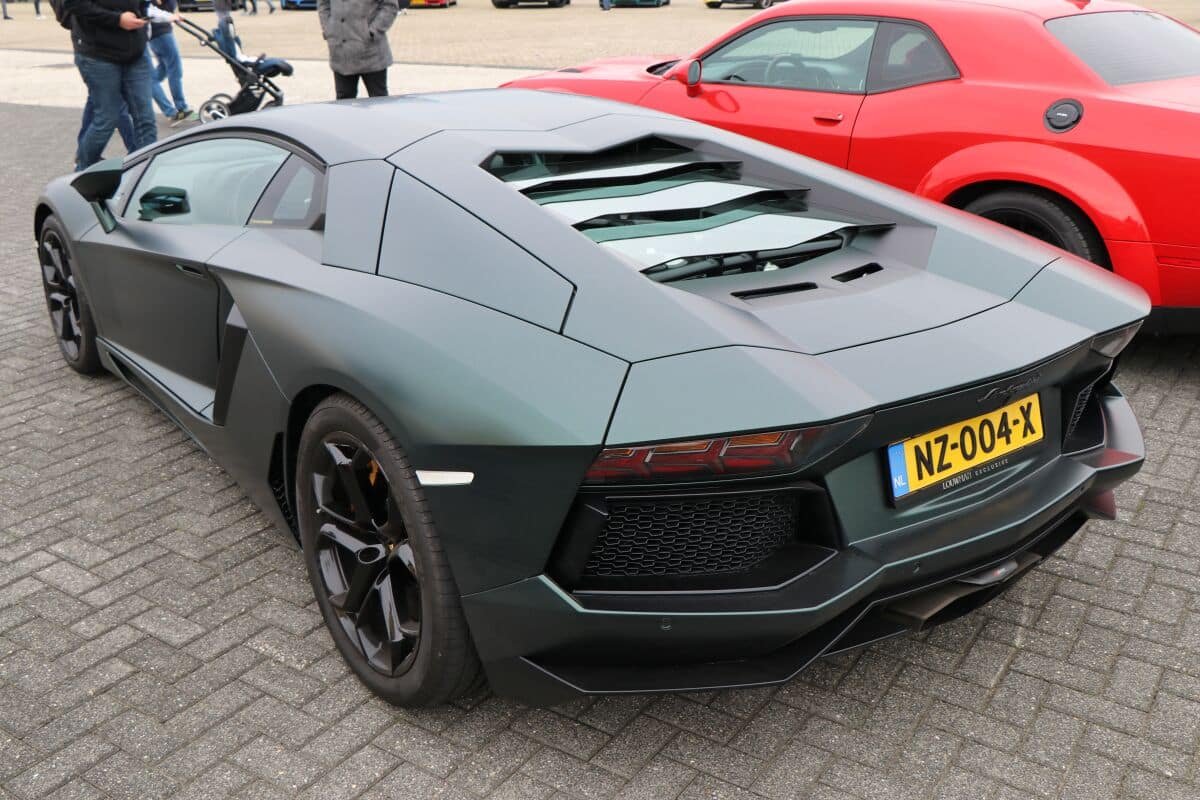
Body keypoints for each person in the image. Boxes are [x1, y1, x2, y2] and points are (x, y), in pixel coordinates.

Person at [65, 0, 177, 169]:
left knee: (146, 119)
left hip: (135, 51)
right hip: (97, 54)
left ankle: (145, 175)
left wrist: (151, 13)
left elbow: (143, 5)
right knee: (106, 119)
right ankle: (81, 171)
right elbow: (74, 5)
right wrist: (117, 19)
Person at [317, 0, 399, 100]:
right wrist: (328, 29)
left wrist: (373, 31)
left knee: (378, 100)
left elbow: (390, 6)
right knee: (344, 103)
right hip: (341, 53)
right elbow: (323, 4)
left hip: (372, 54)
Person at [146, 0, 193, 124]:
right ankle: (180, 107)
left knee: (163, 69)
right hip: (161, 33)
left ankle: (173, 109)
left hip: (158, 33)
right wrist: (172, 16)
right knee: (175, 69)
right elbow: (154, 9)